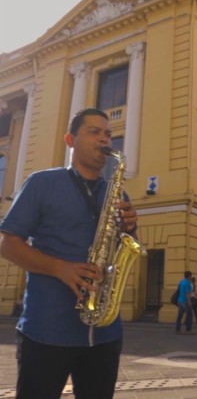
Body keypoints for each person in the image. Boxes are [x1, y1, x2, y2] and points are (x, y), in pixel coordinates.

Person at [0, 108, 138, 399]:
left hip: (105, 334)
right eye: (94, 132)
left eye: (108, 134)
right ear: (70, 140)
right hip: (47, 331)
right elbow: (8, 243)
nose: (104, 139)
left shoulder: (118, 193)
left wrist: (130, 226)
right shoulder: (41, 183)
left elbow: (121, 247)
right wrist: (60, 268)